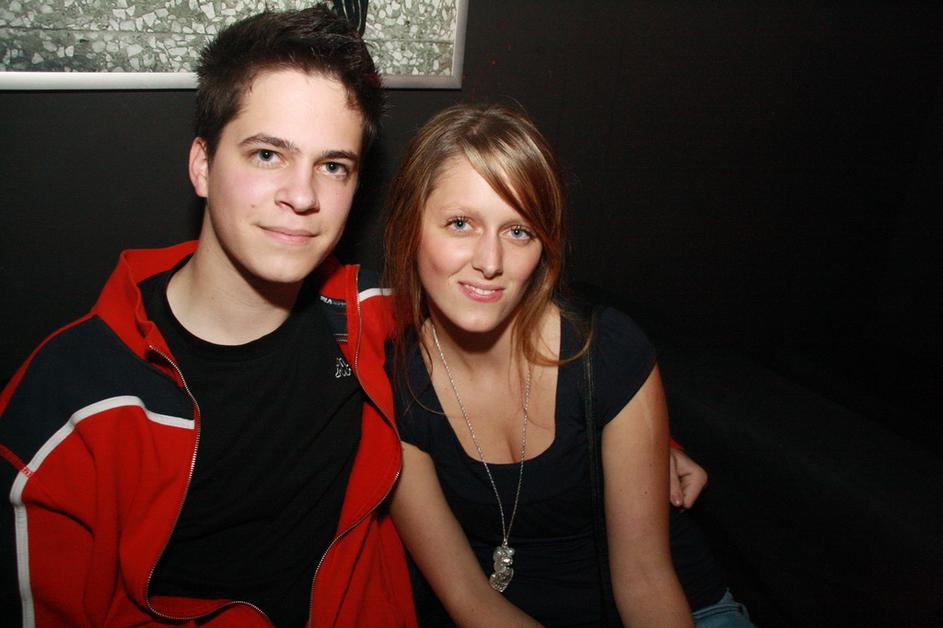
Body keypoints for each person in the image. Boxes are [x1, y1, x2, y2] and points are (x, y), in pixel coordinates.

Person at [0, 7, 415, 626]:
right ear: (202, 165)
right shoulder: (72, 402)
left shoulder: (370, 320)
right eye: (268, 154)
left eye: (333, 166)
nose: (303, 196)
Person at [383, 103, 754, 627]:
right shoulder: (395, 383)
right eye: (460, 224)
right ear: (410, 227)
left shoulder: (606, 352)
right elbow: (468, 599)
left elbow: (646, 582)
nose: (490, 262)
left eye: (518, 231)